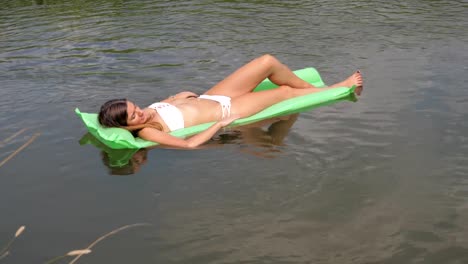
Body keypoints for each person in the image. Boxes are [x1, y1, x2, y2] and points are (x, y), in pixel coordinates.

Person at [98, 54, 363, 149]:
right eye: (133, 117)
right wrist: (220, 125)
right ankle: (338, 88)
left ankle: (311, 89)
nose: (140, 114)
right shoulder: (148, 131)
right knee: (283, 93)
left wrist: (179, 96)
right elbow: (188, 144)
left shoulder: (144, 113)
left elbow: (169, 102)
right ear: (127, 128)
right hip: (227, 110)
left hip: (212, 96)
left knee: (266, 61)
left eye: (135, 107)